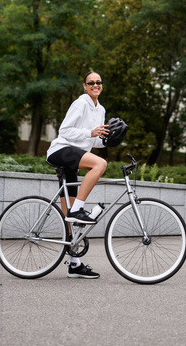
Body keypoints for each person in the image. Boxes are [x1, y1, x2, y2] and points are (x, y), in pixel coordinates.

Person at [47, 71, 109, 279]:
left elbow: (96, 141)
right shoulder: (81, 103)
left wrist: (110, 138)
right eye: (91, 82)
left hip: (74, 157)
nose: (95, 85)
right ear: (84, 85)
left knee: (69, 219)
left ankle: (74, 264)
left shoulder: (100, 109)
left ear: (102, 85)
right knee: (100, 164)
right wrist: (89, 133)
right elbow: (65, 130)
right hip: (61, 150)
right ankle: (79, 209)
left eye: (98, 82)